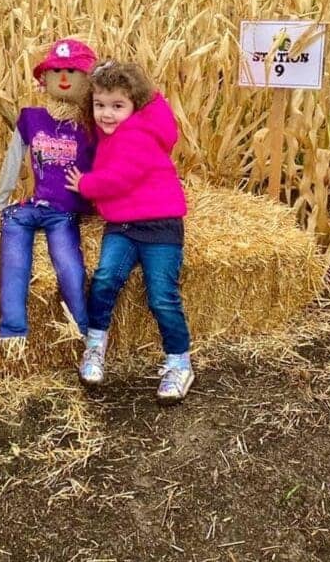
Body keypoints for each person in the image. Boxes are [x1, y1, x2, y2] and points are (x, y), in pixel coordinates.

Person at [65, 61, 193, 404]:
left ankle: (179, 362)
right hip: (122, 224)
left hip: (160, 225)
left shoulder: (135, 136)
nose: (106, 114)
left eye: (117, 106)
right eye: (100, 105)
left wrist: (85, 184)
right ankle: (95, 345)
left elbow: (118, 178)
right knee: (105, 277)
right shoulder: (118, 130)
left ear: (136, 105)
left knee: (162, 295)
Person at [0, 39, 97, 354]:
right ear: (45, 78)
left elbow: (111, 165)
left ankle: (82, 330)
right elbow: (13, 159)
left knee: (68, 264)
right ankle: (12, 332)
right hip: (32, 205)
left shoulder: (93, 123)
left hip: (64, 211)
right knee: (12, 252)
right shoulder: (31, 118)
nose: (64, 78)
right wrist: (1, 203)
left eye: (72, 71)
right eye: (56, 71)